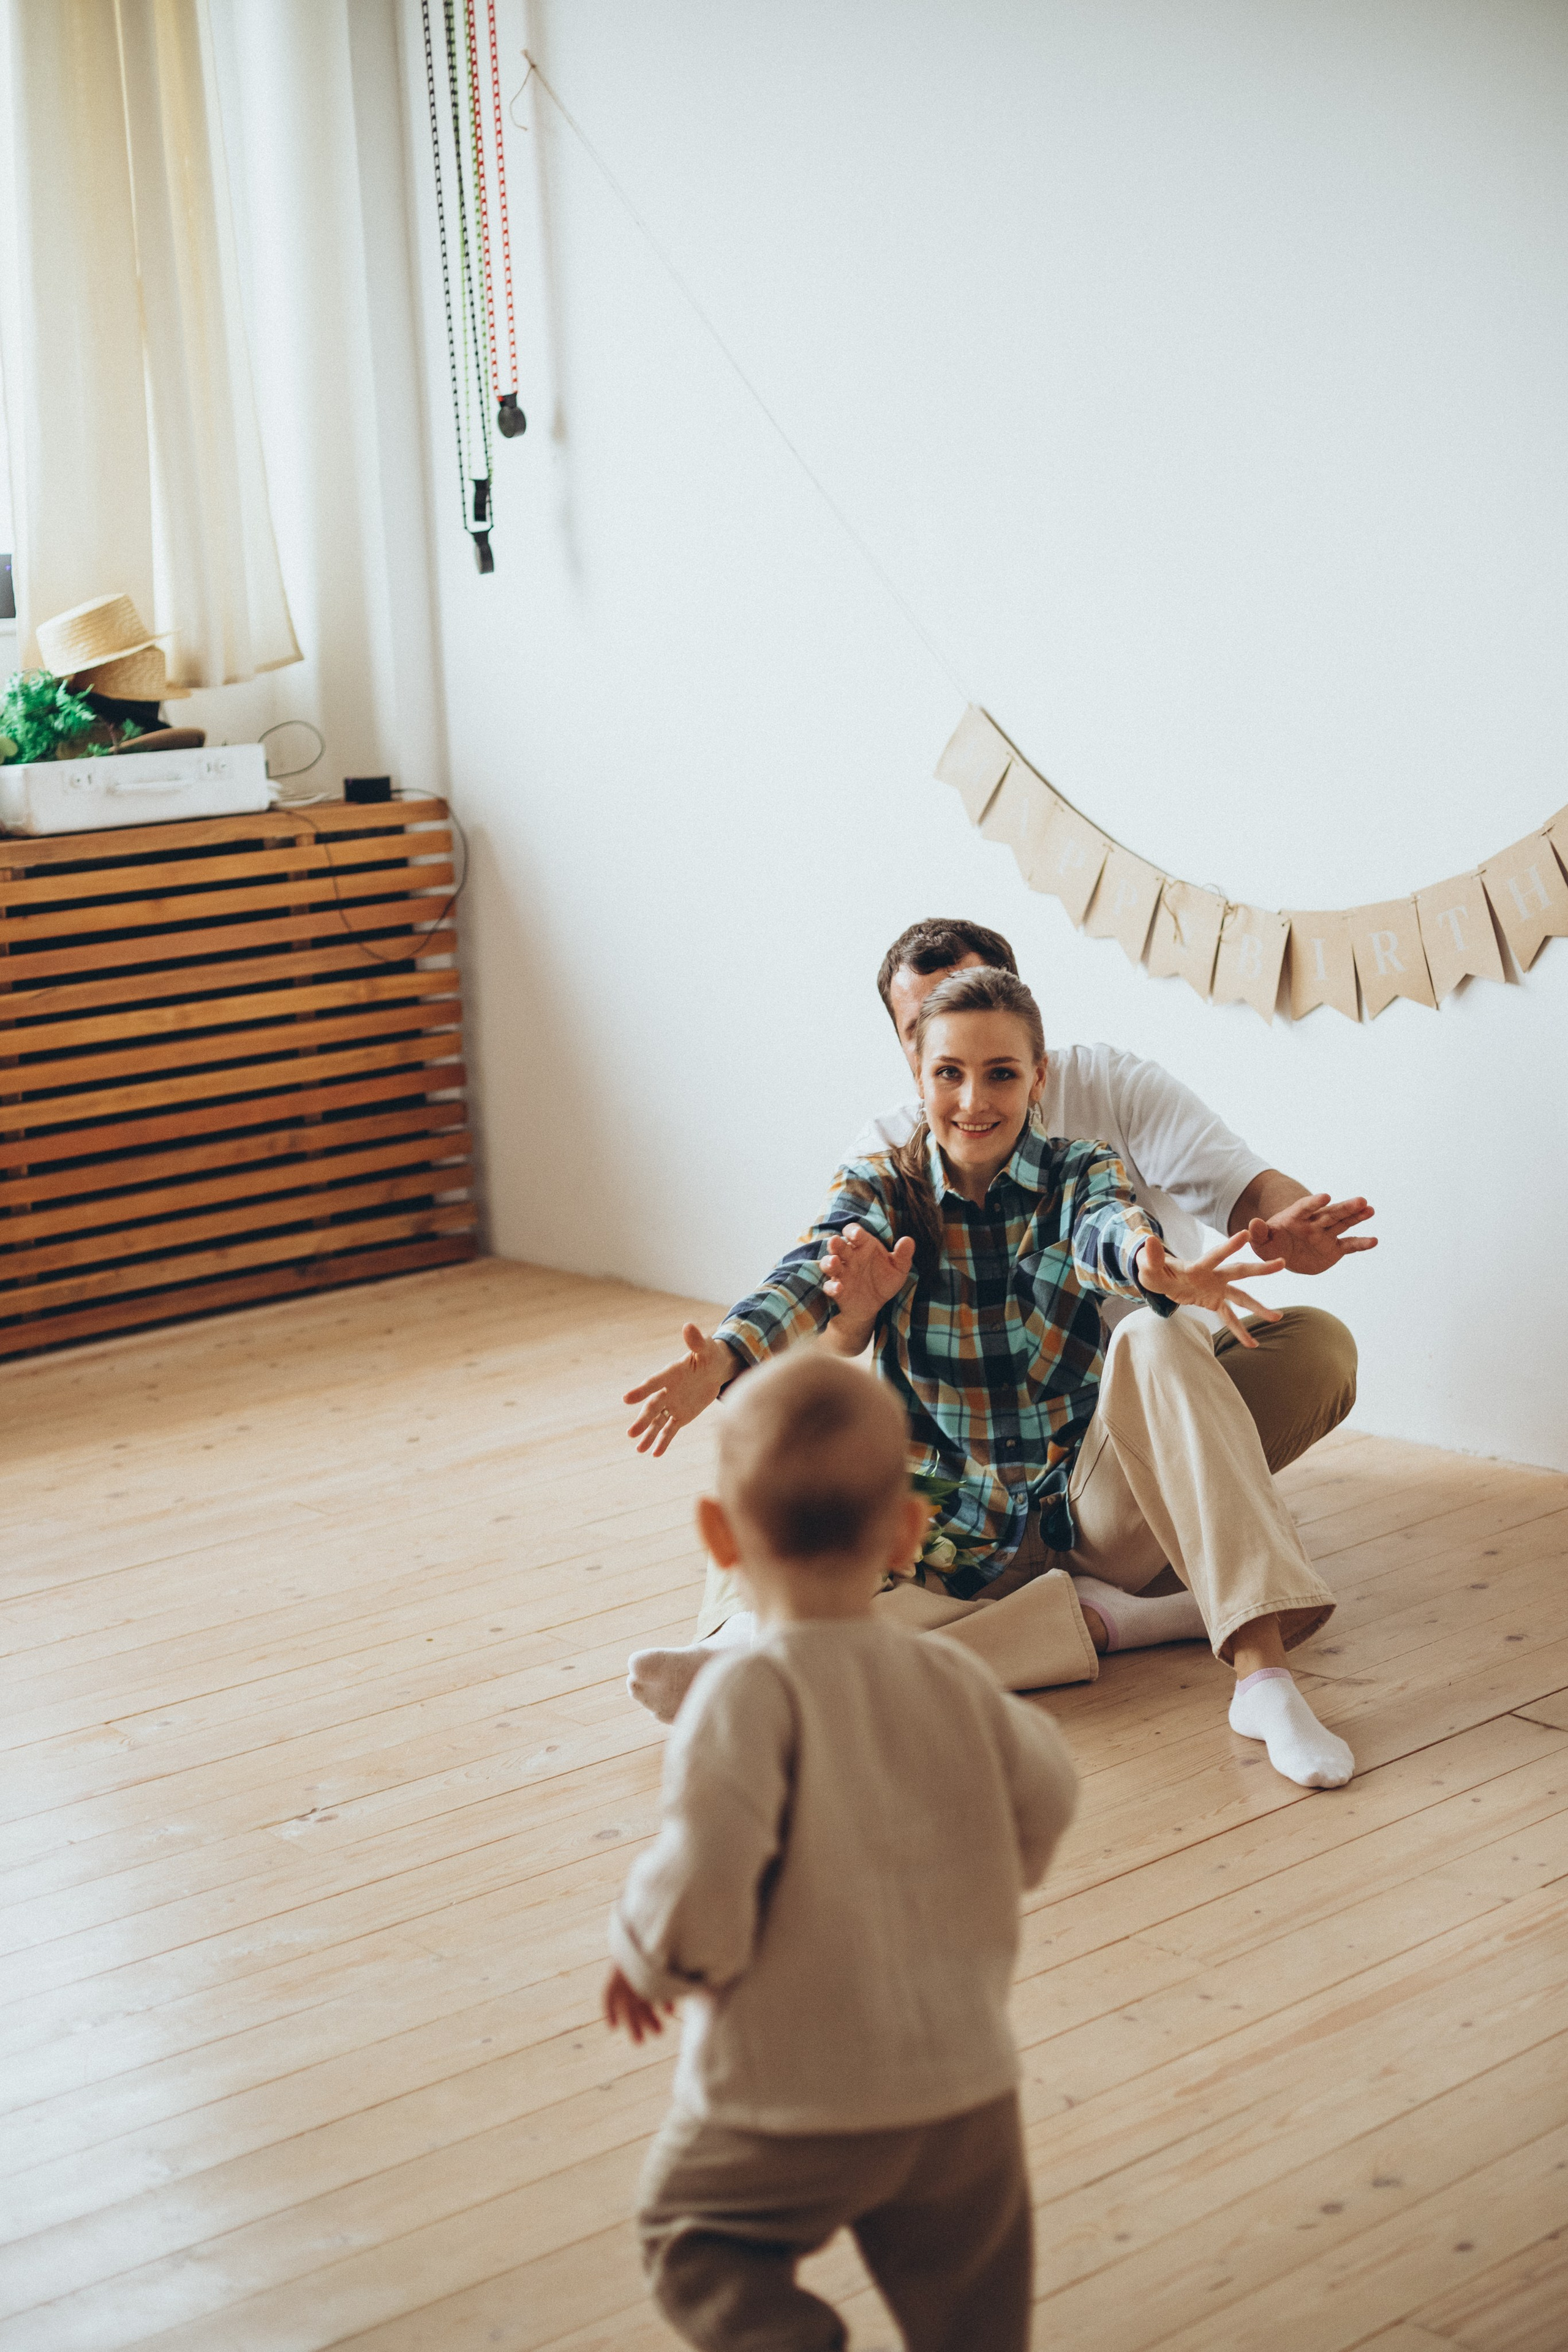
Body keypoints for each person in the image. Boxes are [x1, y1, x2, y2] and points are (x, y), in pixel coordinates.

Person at [624, 964, 1355, 1791]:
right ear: (918, 1075)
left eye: (1001, 1074)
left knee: (1155, 1340)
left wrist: (1154, 1270)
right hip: (950, 1528)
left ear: (1039, 1078)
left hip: (1089, 1512)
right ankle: (1103, 1625)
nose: (974, 1101)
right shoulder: (882, 1184)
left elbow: (1111, 1230)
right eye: (950, 1074)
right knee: (790, 1469)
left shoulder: (1082, 1170)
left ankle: (1262, 1680)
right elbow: (810, 1270)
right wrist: (726, 1355)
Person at [605, 1348, 1080, 2352]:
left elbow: (705, 1874)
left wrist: (651, 1958)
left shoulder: (742, 1694)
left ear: (717, 1538)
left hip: (785, 2099)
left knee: (693, 2238)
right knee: (973, 2309)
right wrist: (994, 1868)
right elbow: (1047, 1790)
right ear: (908, 1533)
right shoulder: (954, 1677)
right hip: (964, 2095)